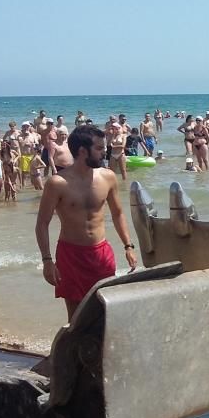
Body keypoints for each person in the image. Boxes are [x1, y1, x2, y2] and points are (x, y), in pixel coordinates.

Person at [35, 125, 137, 320]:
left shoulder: (107, 177)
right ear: (83, 151)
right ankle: (75, 350)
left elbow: (118, 213)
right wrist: (47, 261)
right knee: (76, 317)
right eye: (99, 148)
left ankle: (100, 350)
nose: (104, 152)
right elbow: (42, 223)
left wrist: (128, 245)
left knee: (105, 310)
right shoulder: (57, 183)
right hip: (71, 255)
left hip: (101, 253)